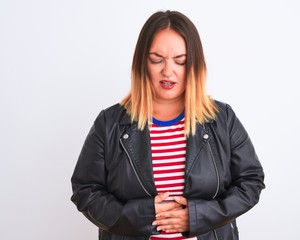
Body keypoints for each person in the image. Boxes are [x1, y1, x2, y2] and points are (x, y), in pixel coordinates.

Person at [71, 10, 265, 240]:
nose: (167, 71)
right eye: (156, 59)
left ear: (194, 65)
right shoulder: (109, 123)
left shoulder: (222, 119)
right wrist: (144, 215)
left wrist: (196, 217)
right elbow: (86, 191)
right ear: (142, 62)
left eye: (180, 61)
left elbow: (251, 181)